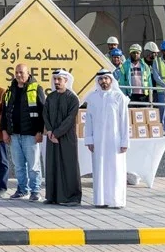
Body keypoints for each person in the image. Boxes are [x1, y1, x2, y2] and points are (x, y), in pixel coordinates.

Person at [87, 67, 130, 208]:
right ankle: (100, 200)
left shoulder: (119, 97)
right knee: (99, 170)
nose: (103, 81)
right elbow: (89, 121)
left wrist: (125, 141)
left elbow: (124, 121)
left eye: (106, 78)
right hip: (98, 141)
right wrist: (89, 139)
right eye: (101, 79)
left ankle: (116, 201)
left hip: (115, 141)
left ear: (111, 80)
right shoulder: (92, 98)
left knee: (115, 170)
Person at [2, 62, 44, 201]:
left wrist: (39, 131)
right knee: (19, 166)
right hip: (14, 135)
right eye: (17, 72)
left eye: (21, 72)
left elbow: (42, 111)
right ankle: (22, 190)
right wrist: (4, 131)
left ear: (28, 73)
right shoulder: (10, 91)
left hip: (30, 135)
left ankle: (35, 191)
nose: (19, 75)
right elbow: (4, 113)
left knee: (33, 166)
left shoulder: (36, 88)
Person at [42, 70, 81, 206]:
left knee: (68, 166)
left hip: (66, 137)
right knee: (52, 165)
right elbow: (45, 114)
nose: (57, 82)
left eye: (59, 79)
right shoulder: (50, 97)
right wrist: (50, 131)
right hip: (51, 136)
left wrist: (57, 133)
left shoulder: (73, 98)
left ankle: (72, 198)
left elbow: (70, 119)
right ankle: (52, 196)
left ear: (66, 81)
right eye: (55, 79)